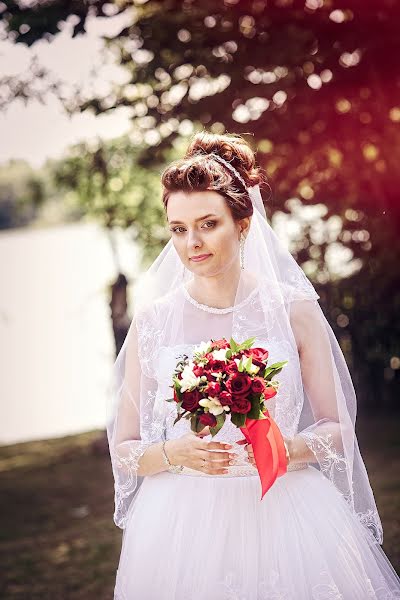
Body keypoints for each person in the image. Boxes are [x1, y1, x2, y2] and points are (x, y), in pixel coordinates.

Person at [107, 131, 400, 599]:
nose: (192, 243)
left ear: (243, 224)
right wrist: (172, 454)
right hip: (182, 525)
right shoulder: (154, 321)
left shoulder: (294, 311)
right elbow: (123, 447)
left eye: (208, 224)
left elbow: (338, 427)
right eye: (178, 228)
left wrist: (285, 448)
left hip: (286, 510)